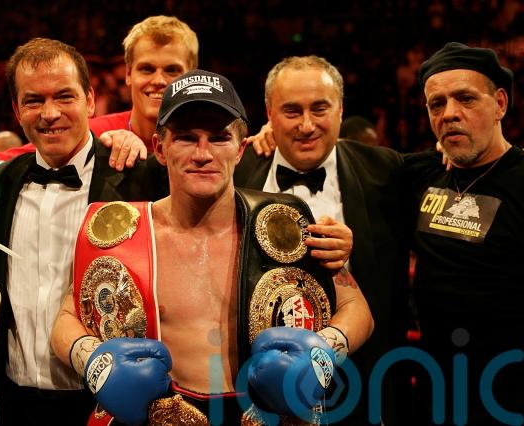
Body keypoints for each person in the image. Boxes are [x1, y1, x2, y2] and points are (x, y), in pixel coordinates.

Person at [50, 69, 373, 425]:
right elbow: (66, 319)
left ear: (240, 148)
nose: (203, 154)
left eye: (219, 138)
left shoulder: (283, 226)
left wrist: (321, 353)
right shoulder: (125, 234)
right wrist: (95, 363)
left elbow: (357, 308)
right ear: (160, 148)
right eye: (186, 138)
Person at [0, 37, 166, 426]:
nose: (50, 113)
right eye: (34, 100)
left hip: (108, 403)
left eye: (64, 96)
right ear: (17, 110)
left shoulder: (139, 176)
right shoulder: (2, 180)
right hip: (15, 402)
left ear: (89, 101)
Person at [234, 56, 410, 425]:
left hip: (360, 385)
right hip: (253, 386)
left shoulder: (386, 170)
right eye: (291, 111)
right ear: (269, 114)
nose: (307, 125)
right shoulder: (236, 168)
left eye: (319, 108)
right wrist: (117, 135)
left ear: (340, 110)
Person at [405, 41, 524, 425]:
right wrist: (270, 135)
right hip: (433, 394)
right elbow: (347, 159)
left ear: (500, 104)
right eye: (436, 104)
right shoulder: (421, 174)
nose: (450, 113)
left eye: (466, 99)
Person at [0, 15, 198, 172]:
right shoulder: (93, 134)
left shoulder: (210, 141)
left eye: (172, 70)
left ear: (192, 75)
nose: (159, 81)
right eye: (147, 69)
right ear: (128, 74)